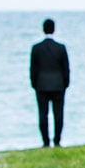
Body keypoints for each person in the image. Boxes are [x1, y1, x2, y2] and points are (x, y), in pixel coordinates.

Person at [30, 18, 69, 148]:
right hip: (58, 85)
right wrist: (65, 83)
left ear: (43, 29)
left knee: (43, 114)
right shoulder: (60, 48)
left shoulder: (36, 48)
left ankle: (46, 142)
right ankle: (57, 141)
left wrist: (34, 84)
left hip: (41, 85)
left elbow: (33, 69)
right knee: (58, 114)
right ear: (54, 29)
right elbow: (66, 69)